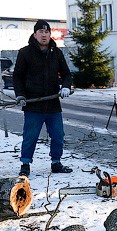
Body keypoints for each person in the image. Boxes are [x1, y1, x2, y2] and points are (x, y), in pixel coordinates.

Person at [13, 20, 73, 176]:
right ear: (35, 34)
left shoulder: (56, 53)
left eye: (47, 32)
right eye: (41, 32)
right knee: (30, 136)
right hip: (33, 104)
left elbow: (67, 74)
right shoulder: (25, 53)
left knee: (58, 135)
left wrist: (66, 86)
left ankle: (56, 162)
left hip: (53, 104)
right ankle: (25, 164)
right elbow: (17, 76)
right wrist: (20, 94)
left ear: (50, 34)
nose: (44, 35)